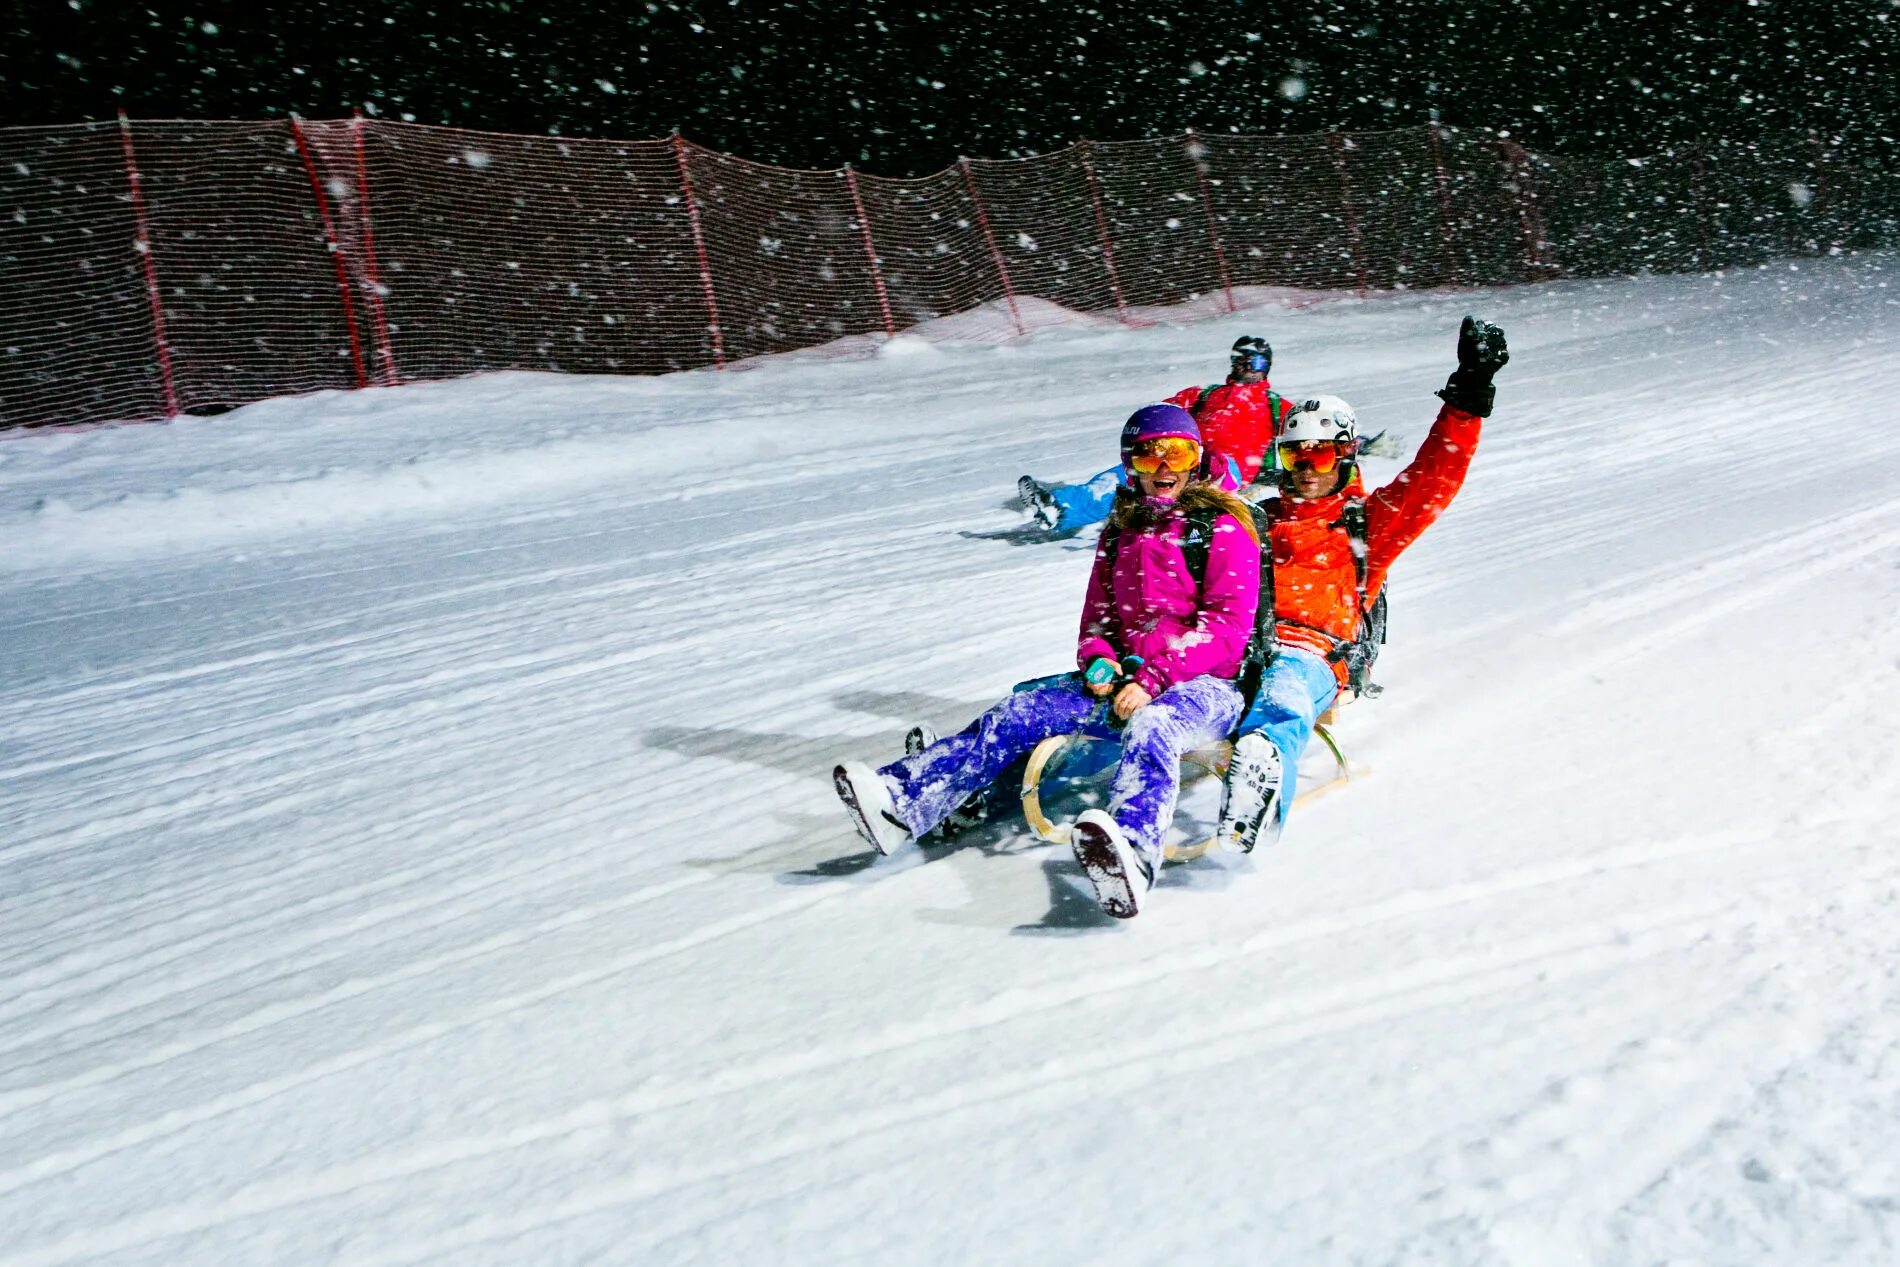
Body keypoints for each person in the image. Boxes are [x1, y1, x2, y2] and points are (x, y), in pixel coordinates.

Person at [837, 402, 1263, 918]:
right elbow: (1097, 621)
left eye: (1177, 453)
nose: (1164, 468)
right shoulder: (1120, 532)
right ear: (1131, 465)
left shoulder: (1220, 528)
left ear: (1196, 458)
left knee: (1155, 727)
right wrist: (1101, 662)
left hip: (1205, 686)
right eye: (1149, 456)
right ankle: (902, 802)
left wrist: (1153, 680)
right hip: (1127, 679)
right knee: (1019, 712)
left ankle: (1132, 852)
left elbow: (1226, 629)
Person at [1215, 316, 1510, 852]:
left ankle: (1255, 792)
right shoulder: (1256, 517)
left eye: (1320, 454)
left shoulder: (1365, 525)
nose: (1306, 468)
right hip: (1242, 644)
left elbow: (1432, 480)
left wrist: (1469, 396)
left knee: (1283, 688)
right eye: (1294, 455)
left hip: (1314, 655)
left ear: (1346, 455)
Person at [1018, 335, 1292, 532]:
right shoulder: (1204, 394)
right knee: (1133, 471)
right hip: (1183, 454)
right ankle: (1060, 507)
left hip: (1228, 466)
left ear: (1265, 366)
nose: (1245, 366)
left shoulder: (1274, 403)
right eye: (1239, 359)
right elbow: (1160, 413)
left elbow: (1305, 428)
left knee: (1210, 471)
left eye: (1253, 361)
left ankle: (1170, 526)